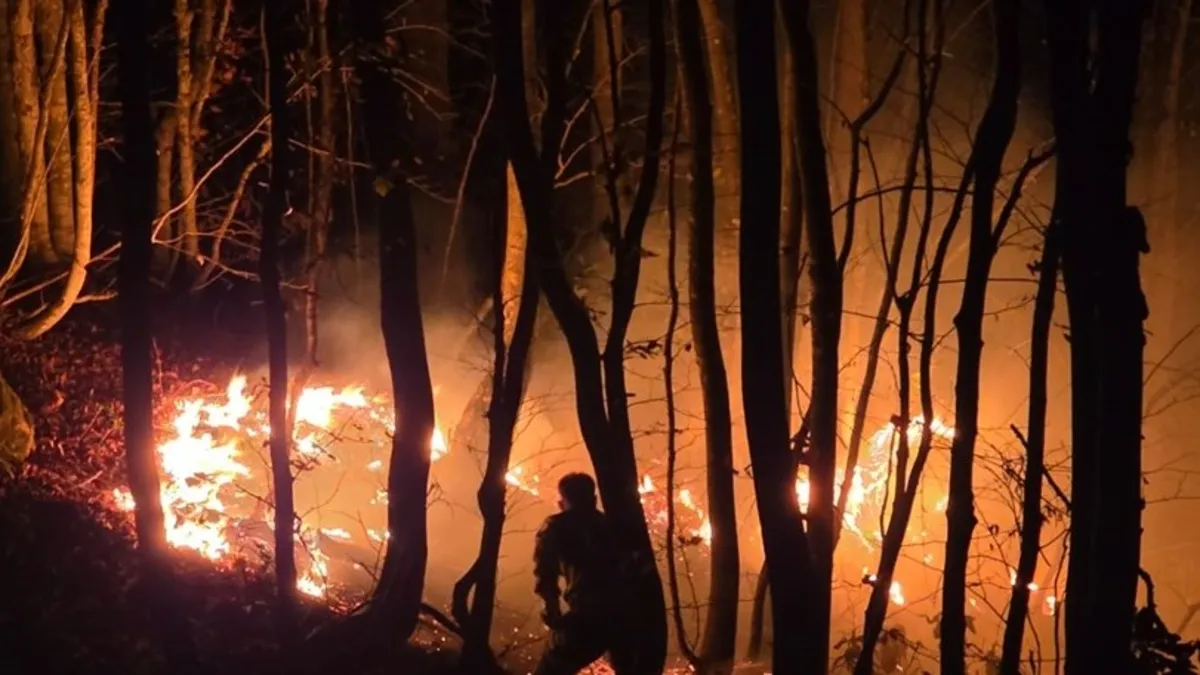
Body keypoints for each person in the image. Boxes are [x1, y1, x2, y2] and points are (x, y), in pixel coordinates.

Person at [532, 472, 623, 675]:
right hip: (623, 616)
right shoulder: (610, 525)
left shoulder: (556, 526)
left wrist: (552, 612)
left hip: (587, 617)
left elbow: (545, 575)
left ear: (562, 501)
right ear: (594, 499)